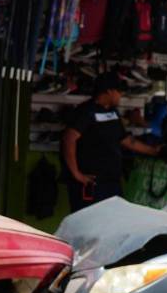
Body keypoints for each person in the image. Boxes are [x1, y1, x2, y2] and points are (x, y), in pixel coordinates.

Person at [62, 71, 159, 212]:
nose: (121, 95)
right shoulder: (86, 111)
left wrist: (153, 151)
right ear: (109, 91)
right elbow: (69, 139)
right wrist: (76, 173)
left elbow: (125, 140)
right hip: (91, 184)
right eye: (119, 91)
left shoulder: (113, 112)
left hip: (112, 183)